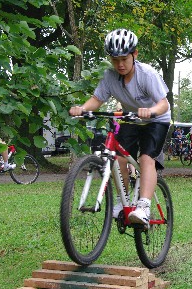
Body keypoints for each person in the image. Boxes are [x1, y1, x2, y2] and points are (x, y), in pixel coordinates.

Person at [69, 28, 171, 226]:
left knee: (146, 158)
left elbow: (164, 104)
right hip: (131, 118)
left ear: (135, 54)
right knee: (120, 158)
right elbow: (97, 99)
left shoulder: (147, 75)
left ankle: (143, 206)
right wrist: (81, 109)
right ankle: (120, 201)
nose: (120, 64)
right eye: (115, 60)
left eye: (124, 59)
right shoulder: (110, 77)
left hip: (156, 119)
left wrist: (150, 111)